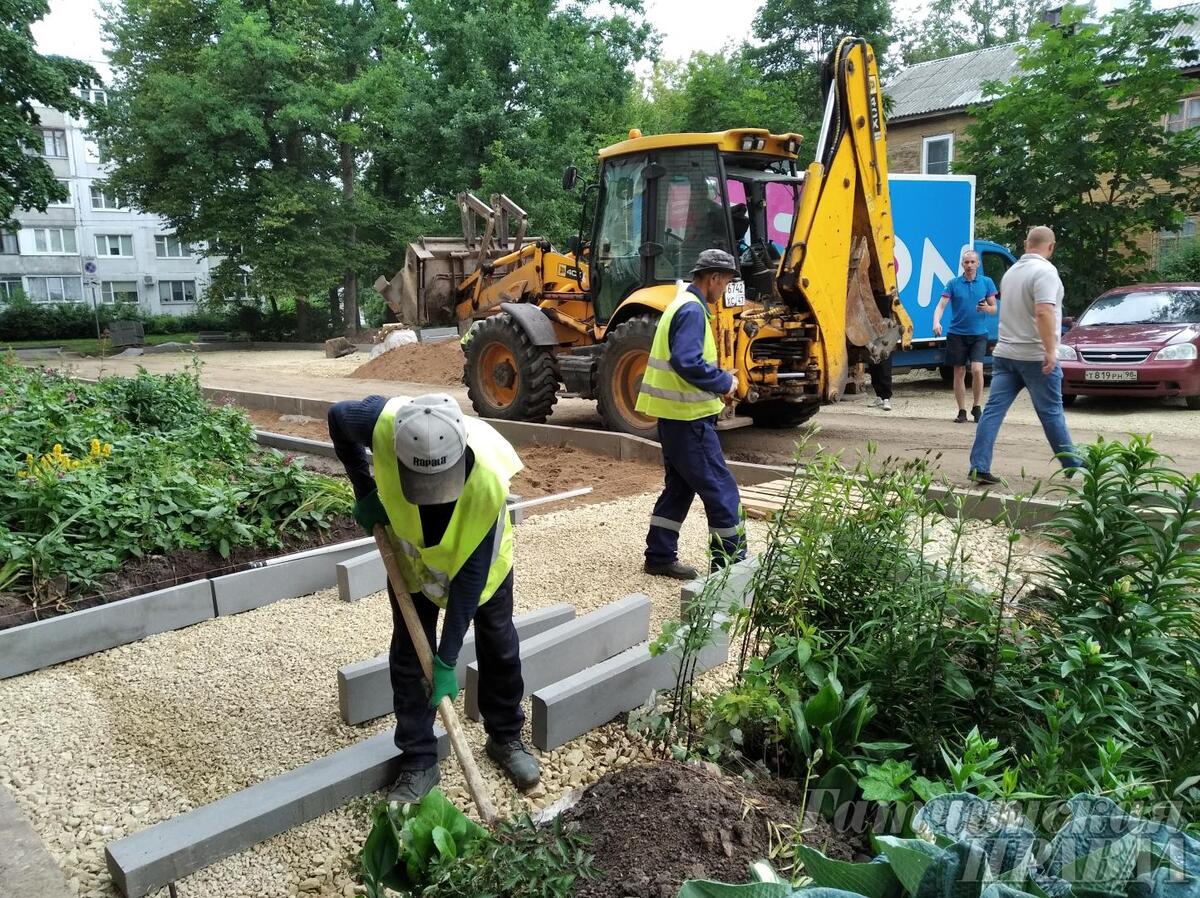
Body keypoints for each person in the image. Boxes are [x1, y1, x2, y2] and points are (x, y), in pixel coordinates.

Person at [327, 393, 540, 802]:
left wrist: (446, 659)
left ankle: (506, 737)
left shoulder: (488, 479)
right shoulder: (380, 423)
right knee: (409, 655)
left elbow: (469, 580)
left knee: (498, 642)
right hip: (411, 559)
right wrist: (364, 487)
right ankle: (418, 760)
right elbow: (337, 418)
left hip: (481, 566)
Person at [637, 248, 746, 580]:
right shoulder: (693, 310)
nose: (724, 291)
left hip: (675, 418)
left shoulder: (682, 305)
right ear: (713, 279)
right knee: (721, 490)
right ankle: (731, 569)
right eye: (725, 284)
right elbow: (686, 361)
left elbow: (685, 361)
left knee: (679, 488)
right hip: (689, 420)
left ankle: (659, 555)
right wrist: (724, 381)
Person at [968, 226, 1078, 485]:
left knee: (993, 411)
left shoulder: (1011, 273)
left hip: (1006, 354)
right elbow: (1043, 312)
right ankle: (1073, 465)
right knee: (1051, 412)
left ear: (1026, 244)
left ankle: (979, 465)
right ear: (1051, 246)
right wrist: (1051, 351)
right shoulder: (1046, 272)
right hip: (1035, 356)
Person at [932, 249, 998, 423]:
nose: (969, 265)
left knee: (977, 369)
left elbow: (994, 309)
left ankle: (977, 406)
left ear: (978, 264)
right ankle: (961, 411)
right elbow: (941, 305)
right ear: (962, 264)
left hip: (979, 334)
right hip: (956, 334)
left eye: (972, 262)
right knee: (959, 371)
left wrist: (986, 308)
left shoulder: (987, 282)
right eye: (966, 262)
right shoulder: (953, 283)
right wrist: (936, 322)